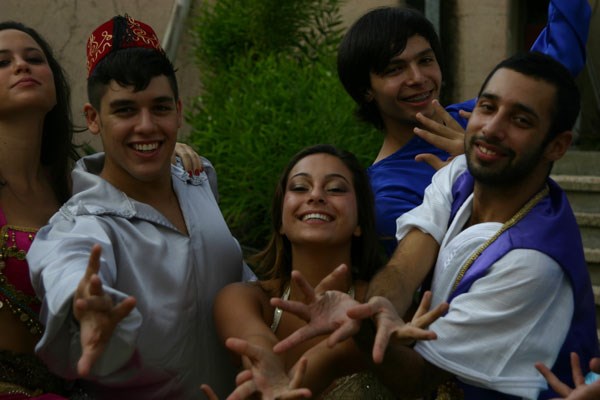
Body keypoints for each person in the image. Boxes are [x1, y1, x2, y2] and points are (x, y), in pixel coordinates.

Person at [273, 52, 599, 399]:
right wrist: (378, 309)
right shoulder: (459, 175)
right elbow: (404, 267)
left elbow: (418, 379)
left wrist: (365, 327)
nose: (491, 128)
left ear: (557, 145)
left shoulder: (532, 263)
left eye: (520, 120)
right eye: (487, 107)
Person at [27, 15, 252, 399]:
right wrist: (84, 303)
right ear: (93, 118)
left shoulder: (197, 181)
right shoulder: (81, 224)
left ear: (178, 111)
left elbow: (235, 278)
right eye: (125, 110)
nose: (146, 126)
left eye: (159, 108)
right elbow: (68, 265)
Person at [337, 1, 591, 255]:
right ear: (366, 90)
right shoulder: (385, 194)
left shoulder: (478, 116)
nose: (418, 78)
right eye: (395, 69)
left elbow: (559, 58)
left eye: (425, 60)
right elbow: (460, 260)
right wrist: (474, 165)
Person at [201, 144, 447, 399]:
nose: (316, 196)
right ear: (280, 221)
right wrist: (267, 364)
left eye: (336, 189)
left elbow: (415, 380)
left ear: (360, 222)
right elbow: (256, 341)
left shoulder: (389, 308)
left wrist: (362, 332)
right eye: (300, 187)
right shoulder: (245, 299)